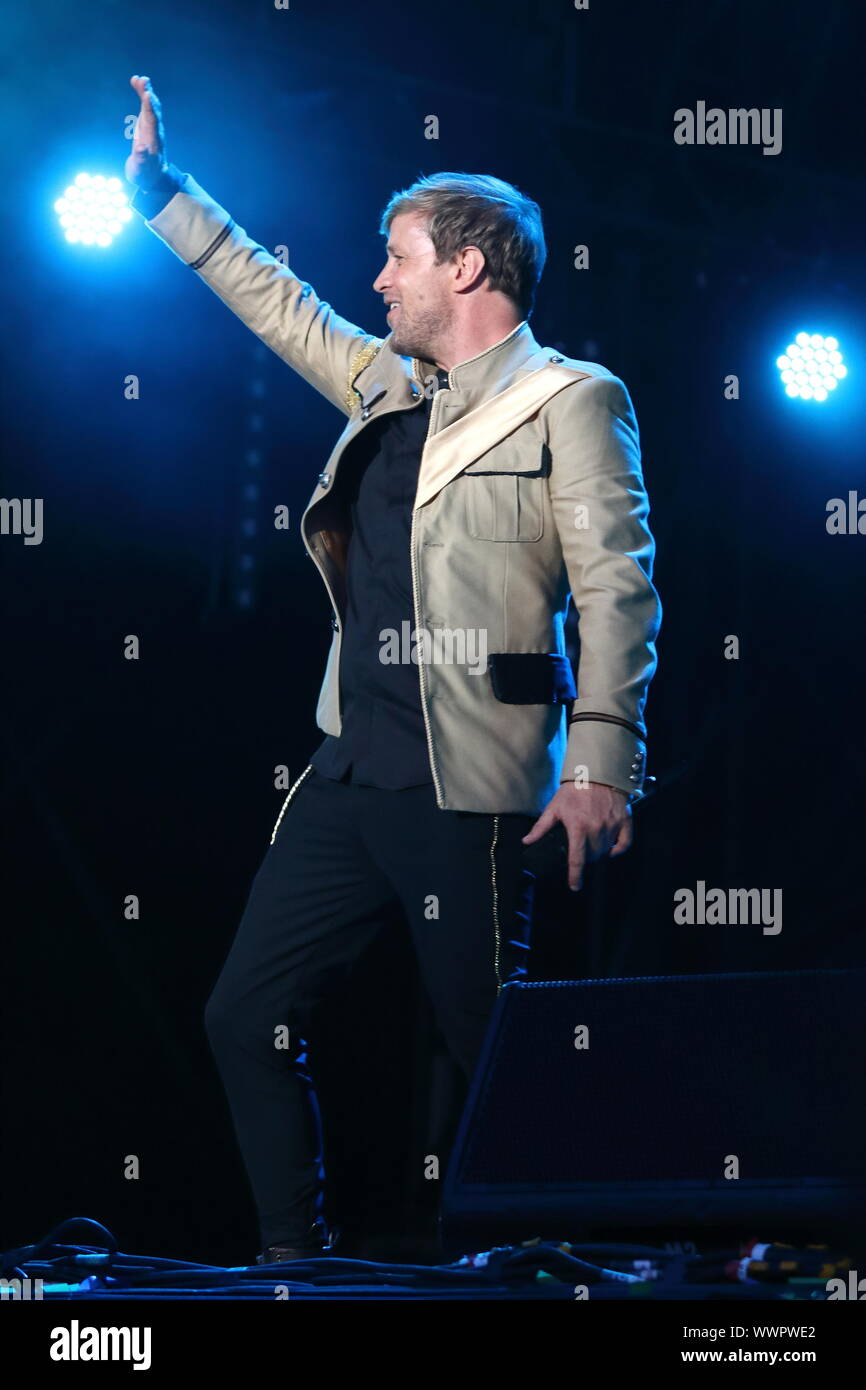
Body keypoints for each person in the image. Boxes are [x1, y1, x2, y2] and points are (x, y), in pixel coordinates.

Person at [124, 73, 662, 1263]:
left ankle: (576, 1257)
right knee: (242, 1013)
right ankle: (290, 1262)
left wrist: (602, 760)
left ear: (465, 270)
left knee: (487, 1039)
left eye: (398, 258)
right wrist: (164, 192)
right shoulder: (384, 383)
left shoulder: (569, 399)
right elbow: (274, 301)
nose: (379, 281)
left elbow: (618, 587)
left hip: (465, 773)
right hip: (350, 761)